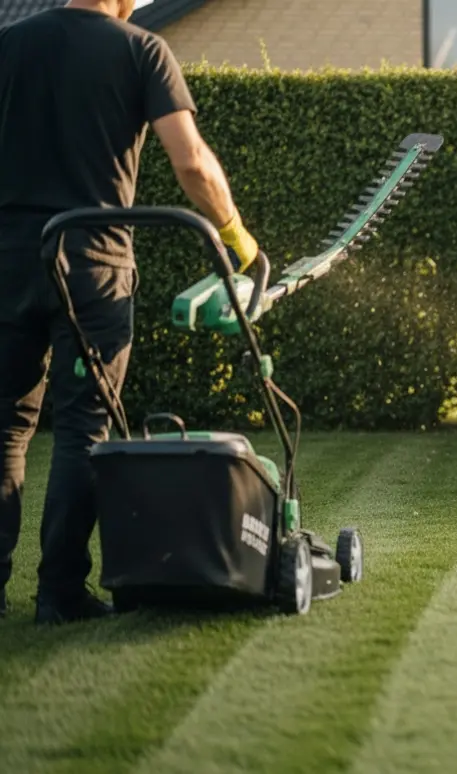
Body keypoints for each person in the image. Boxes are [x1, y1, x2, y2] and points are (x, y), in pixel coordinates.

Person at [0, 0, 259, 623]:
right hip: (93, 263)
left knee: (5, 428)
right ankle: (59, 593)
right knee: (85, 430)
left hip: (8, 263)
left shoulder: (10, 44)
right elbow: (190, 160)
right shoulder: (142, 50)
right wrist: (237, 238)